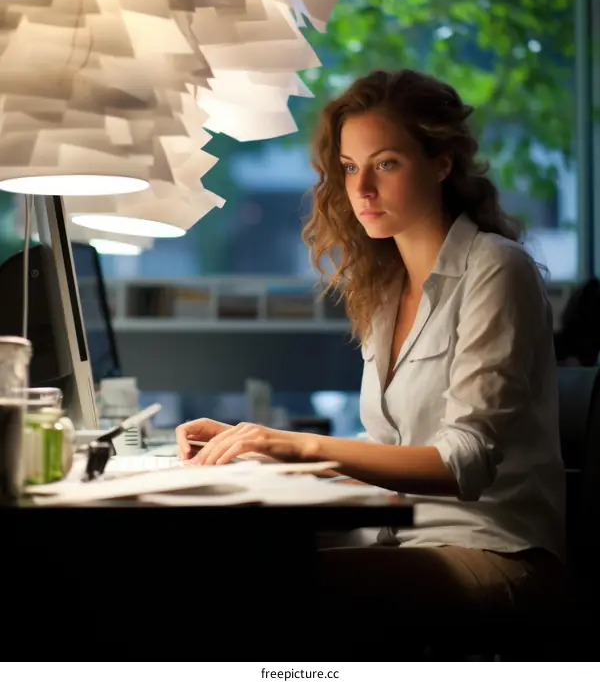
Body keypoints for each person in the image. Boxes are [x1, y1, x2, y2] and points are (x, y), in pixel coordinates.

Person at [176, 68, 571, 642]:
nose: (361, 189)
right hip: (401, 537)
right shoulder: (386, 289)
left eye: (386, 163)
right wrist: (258, 451)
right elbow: (390, 462)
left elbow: (464, 463)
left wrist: (294, 442)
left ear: (442, 163)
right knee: (216, 566)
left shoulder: (495, 268)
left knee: (251, 592)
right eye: (349, 167)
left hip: (497, 552)